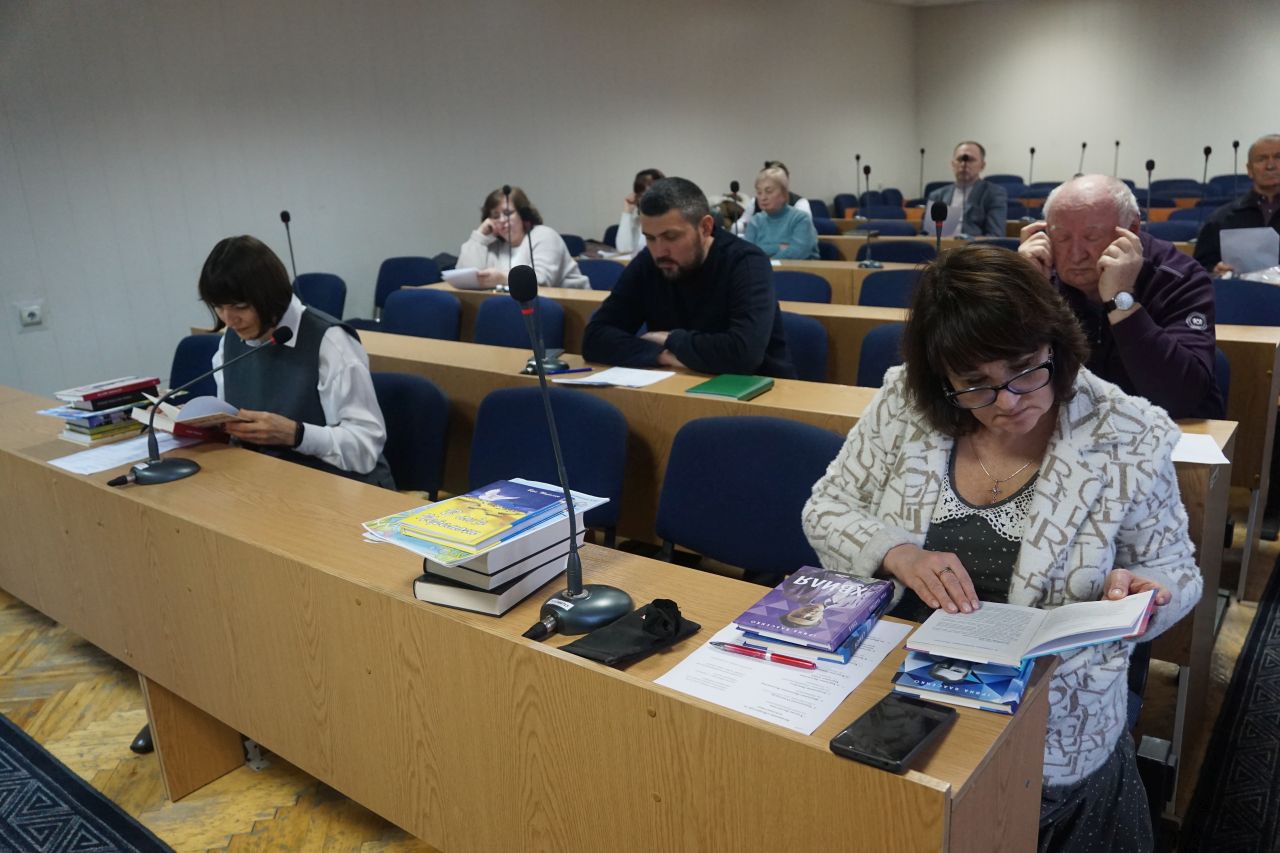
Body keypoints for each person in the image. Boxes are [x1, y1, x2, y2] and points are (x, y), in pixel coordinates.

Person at [803, 245, 1202, 852]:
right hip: (902, 690)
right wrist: (895, 552)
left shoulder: (1126, 434)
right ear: (941, 379)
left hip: (1055, 717)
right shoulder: (906, 404)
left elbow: (1177, 571)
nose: (1009, 402)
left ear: (1055, 345)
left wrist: (1149, 595)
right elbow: (826, 507)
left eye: (1024, 369)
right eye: (975, 384)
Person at [1018, 175, 1223, 420]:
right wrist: (1025, 291)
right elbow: (1006, 382)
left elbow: (1179, 397)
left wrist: (1120, 298)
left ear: (1132, 229)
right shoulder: (1040, 273)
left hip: (1168, 427)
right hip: (1070, 425)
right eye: (1062, 238)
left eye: (1091, 237)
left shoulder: (1179, 276)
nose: (1076, 254)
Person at [198, 235, 394, 488]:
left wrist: (297, 434)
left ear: (269, 296)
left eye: (240, 306)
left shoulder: (330, 342)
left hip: (340, 487)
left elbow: (365, 447)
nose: (229, 319)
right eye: (218, 307)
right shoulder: (230, 340)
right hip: (269, 483)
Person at [582, 177, 796, 378]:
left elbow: (743, 354)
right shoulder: (649, 262)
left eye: (671, 237)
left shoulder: (746, 262)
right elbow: (594, 338)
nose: (659, 251)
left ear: (705, 228)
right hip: (680, 383)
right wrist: (663, 355)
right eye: (650, 238)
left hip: (760, 391)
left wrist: (671, 339)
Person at [455, 187, 589, 289]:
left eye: (508, 213)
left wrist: (502, 278)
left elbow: (542, 280)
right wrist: (479, 237)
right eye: (495, 216)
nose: (501, 220)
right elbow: (465, 278)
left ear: (523, 215)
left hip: (572, 307)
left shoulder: (545, 235)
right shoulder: (493, 244)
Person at [1194, 134, 1280, 274]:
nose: (1270, 166)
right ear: (1249, 170)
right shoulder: (1221, 219)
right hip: (1239, 287)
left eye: (1278, 157)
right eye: (1261, 159)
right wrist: (1214, 271)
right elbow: (1199, 268)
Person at [924, 142, 1008, 238]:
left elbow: (996, 235)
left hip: (975, 247)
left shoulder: (993, 193)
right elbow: (927, 234)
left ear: (982, 165)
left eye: (970, 160)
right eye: (960, 159)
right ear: (952, 164)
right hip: (940, 245)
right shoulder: (937, 196)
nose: (964, 164)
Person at [744, 165, 819, 260]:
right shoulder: (755, 221)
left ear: (784, 194)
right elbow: (748, 253)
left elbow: (797, 253)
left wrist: (765, 257)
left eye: (769, 192)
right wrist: (778, 247)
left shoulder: (800, 219)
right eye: (759, 193)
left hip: (798, 269)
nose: (763, 197)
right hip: (761, 268)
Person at [732, 160, 813, 234]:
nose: (763, 197)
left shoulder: (800, 203)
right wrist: (739, 227)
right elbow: (742, 223)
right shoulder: (755, 204)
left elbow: (804, 232)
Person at [615, 168, 665, 254]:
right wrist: (627, 212)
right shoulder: (637, 222)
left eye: (650, 193)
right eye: (641, 194)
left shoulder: (670, 221)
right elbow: (623, 249)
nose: (646, 199)